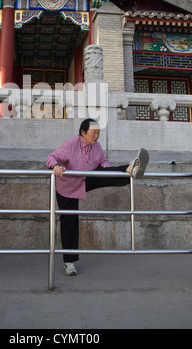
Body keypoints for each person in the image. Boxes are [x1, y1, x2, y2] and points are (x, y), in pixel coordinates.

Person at [46, 118, 149, 277]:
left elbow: (103, 163)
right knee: (69, 222)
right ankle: (69, 263)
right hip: (67, 185)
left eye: (99, 133)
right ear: (83, 132)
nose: (96, 136)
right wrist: (56, 166)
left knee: (105, 173)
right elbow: (51, 157)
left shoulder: (97, 146)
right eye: (94, 133)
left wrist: (110, 171)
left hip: (86, 179)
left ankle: (130, 170)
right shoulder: (71, 144)